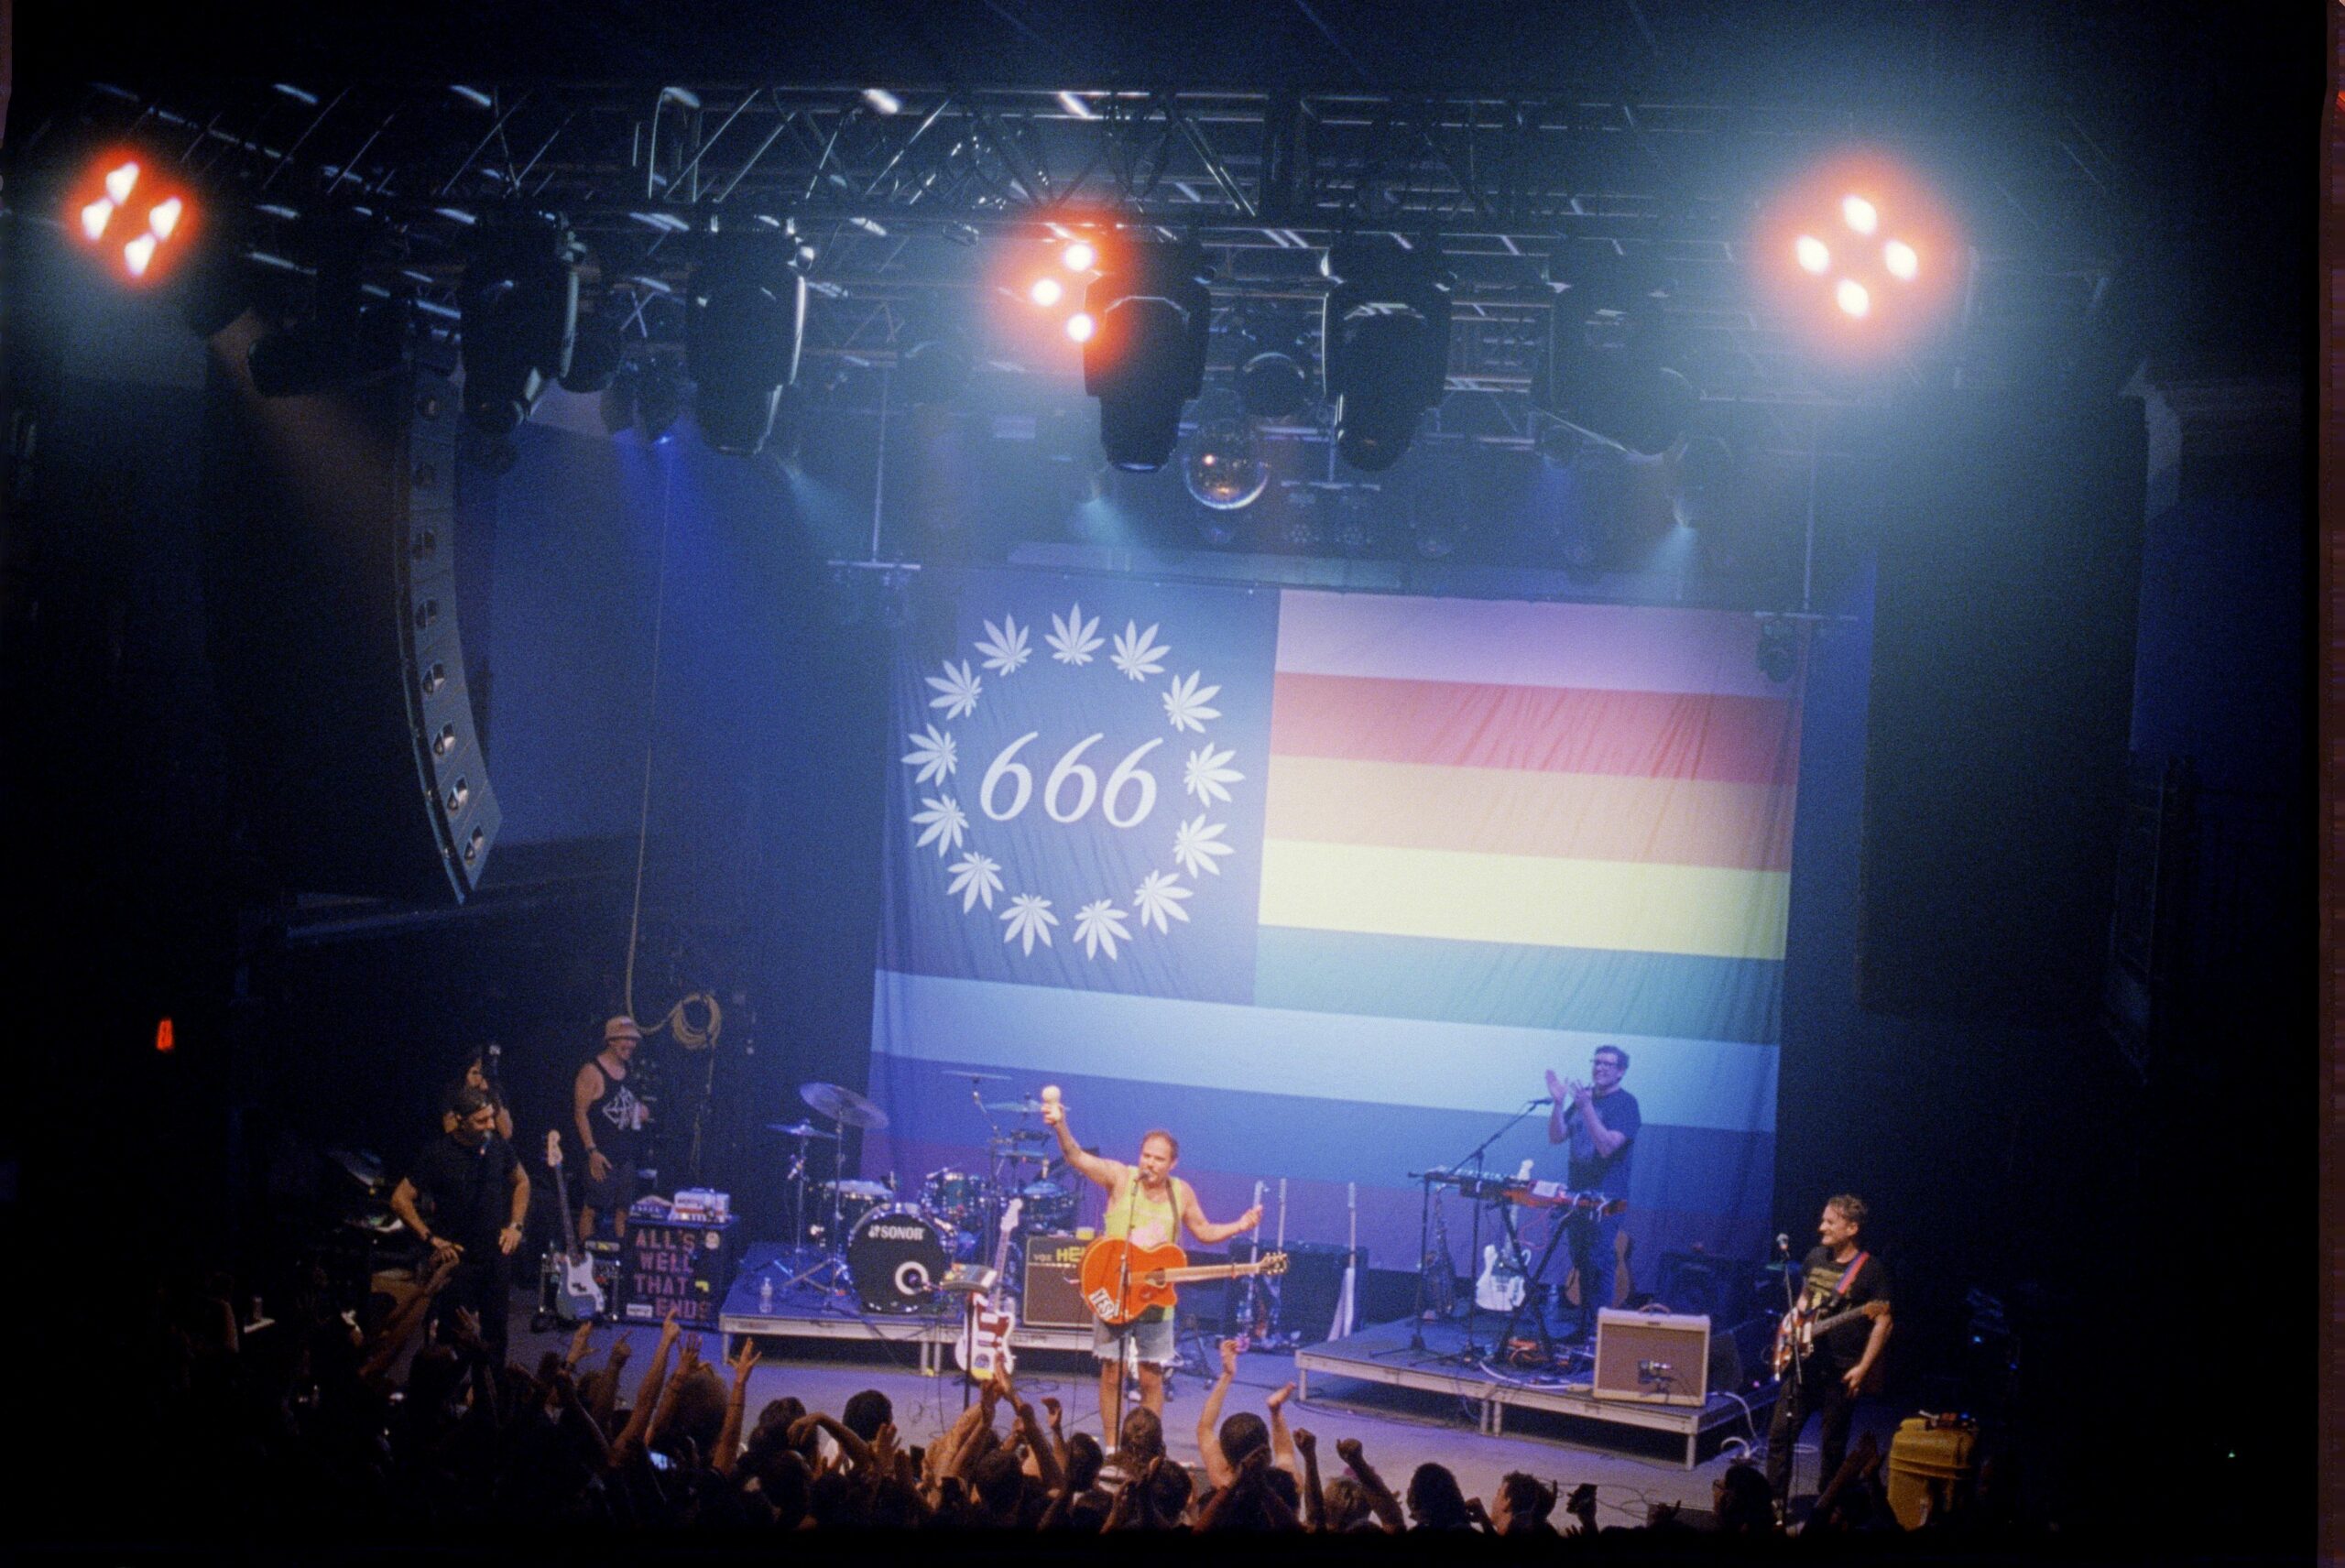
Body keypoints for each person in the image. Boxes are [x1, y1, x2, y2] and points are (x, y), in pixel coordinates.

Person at [1041, 1094, 1261, 1450]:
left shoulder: (1181, 1193)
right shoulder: (1120, 1178)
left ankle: (1146, 1450)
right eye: (1146, 1155)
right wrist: (1061, 1124)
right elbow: (1076, 1157)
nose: (1150, 1164)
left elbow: (1204, 1232)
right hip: (1111, 1291)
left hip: (1155, 1298)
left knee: (1150, 1378)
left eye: (1158, 1159)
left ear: (1172, 1163)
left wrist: (1239, 1225)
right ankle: (1112, 1447)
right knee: (1111, 1372)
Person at [1765, 1193, 1893, 1516]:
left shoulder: (1871, 1270)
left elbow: (1883, 1322)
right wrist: (1794, 1323)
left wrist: (1863, 1368)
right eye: (1822, 1220)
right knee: (1780, 1435)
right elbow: (1806, 1298)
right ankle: (1774, 1502)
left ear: (1852, 1228)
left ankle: (1826, 1508)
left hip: (1841, 1370)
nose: (1821, 1226)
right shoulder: (1814, 1257)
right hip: (1804, 1364)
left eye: (1829, 1222)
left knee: (1833, 1447)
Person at [388, 1085, 529, 1363]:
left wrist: (516, 1226)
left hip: (495, 1254)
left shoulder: (497, 1146)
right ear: (461, 1120)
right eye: (481, 1120)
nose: (490, 1125)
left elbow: (522, 1181)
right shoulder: (438, 1154)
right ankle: (445, 1398)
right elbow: (399, 1199)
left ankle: (488, 1398)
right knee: (453, 1336)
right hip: (458, 1259)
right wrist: (431, 1239)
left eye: (491, 1117)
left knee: (495, 1335)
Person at [1544, 1043, 1640, 1338]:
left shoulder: (1626, 1104)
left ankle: (1599, 1333)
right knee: (1581, 1260)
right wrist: (1559, 1103)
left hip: (1606, 1197)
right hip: (1577, 1194)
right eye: (1596, 1062)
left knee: (1600, 1260)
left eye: (1607, 1064)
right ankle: (1584, 1328)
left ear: (1621, 1071)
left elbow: (1607, 1146)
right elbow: (1557, 1137)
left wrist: (1586, 1108)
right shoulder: (1583, 1098)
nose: (1599, 1068)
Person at [573, 1016, 649, 1240]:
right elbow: (579, 1112)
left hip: (625, 1155)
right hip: (601, 1155)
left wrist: (642, 1111)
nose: (632, 1045)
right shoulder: (592, 1071)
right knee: (593, 1208)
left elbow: (630, 1103)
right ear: (612, 1041)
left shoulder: (629, 1069)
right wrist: (591, 1151)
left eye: (634, 1040)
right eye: (627, 1040)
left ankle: (623, 1261)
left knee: (624, 1209)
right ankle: (584, 1260)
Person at [439, 1048, 514, 1141]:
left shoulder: (495, 1090)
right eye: (476, 1073)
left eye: (484, 1072)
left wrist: (493, 1096)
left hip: (491, 1148)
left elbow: (506, 1133)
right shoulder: (454, 1090)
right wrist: (469, 1093)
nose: (480, 1077)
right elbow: (449, 1130)